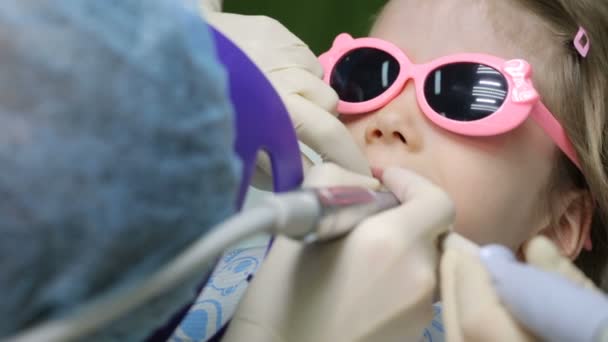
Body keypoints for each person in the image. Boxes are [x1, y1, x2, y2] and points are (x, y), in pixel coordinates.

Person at [201, 0, 608, 340]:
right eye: (369, 72)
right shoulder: (219, 221)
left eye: (462, 92)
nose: (390, 118)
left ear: (559, 226)